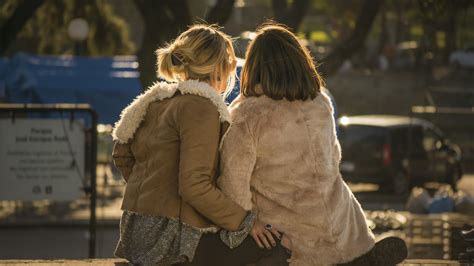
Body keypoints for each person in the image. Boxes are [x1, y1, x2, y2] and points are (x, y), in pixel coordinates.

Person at [218, 23, 408, 265]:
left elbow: (234, 185)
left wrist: (242, 228)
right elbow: (333, 158)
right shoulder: (320, 102)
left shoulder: (247, 116)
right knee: (337, 198)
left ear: (254, 67)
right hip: (343, 228)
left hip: (291, 240)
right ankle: (361, 257)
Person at [111, 24, 283, 265]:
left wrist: (156, 190)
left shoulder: (157, 102)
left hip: (138, 232)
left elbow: (122, 155)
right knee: (277, 246)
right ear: (221, 67)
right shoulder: (201, 107)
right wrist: (246, 222)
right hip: (171, 239)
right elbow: (194, 186)